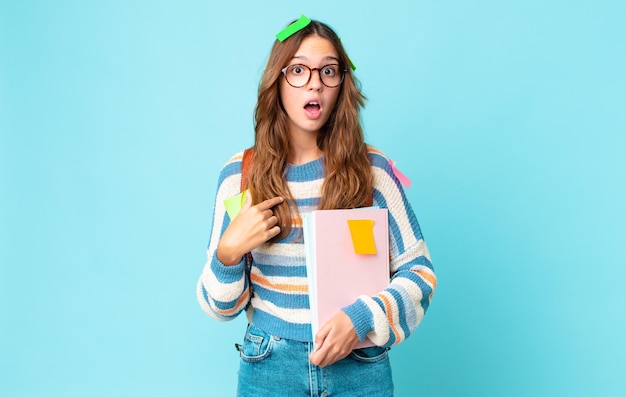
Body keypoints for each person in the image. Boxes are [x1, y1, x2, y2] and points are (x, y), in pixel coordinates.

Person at [197, 16, 436, 397]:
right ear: (277, 81)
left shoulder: (373, 172)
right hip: (268, 367)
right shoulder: (240, 177)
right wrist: (227, 253)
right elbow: (220, 308)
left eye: (328, 70)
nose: (315, 82)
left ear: (342, 83)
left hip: (360, 367)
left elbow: (420, 275)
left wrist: (359, 320)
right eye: (298, 70)